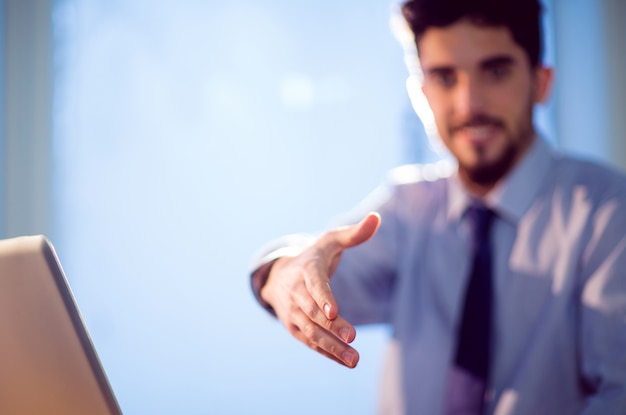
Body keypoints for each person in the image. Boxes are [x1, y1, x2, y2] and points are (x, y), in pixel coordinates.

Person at [250, 0, 626, 413]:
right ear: (423, 93)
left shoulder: (608, 214)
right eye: (445, 78)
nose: (468, 104)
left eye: (495, 72)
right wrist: (285, 273)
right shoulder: (406, 208)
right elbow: (316, 266)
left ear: (541, 81)